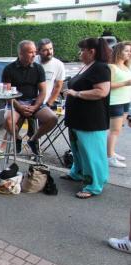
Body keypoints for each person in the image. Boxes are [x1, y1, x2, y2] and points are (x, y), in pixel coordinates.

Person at [62, 37, 111, 199]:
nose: (80, 53)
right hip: (77, 118)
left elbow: (102, 91)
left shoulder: (101, 68)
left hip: (91, 120)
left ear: (92, 51)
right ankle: (77, 173)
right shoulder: (88, 67)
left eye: (82, 50)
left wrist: (76, 93)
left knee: (92, 153)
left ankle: (94, 185)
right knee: (78, 150)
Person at [0, 40, 56, 156]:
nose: (35, 55)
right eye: (31, 52)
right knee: (8, 121)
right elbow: (6, 93)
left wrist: (35, 106)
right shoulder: (9, 69)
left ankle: (33, 139)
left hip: (33, 101)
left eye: (35, 52)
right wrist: (19, 107)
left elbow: (43, 91)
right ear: (21, 53)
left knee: (52, 118)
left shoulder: (38, 68)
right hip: (15, 102)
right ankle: (18, 138)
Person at [107, 41, 131, 168]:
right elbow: (107, 85)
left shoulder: (127, 66)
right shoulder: (112, 67)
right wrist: (125, 83)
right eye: (126, 51)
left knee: (118, 129)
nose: (129, 53)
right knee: (114, 130)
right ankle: (109, 156)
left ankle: (111, 152)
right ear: (118, 52)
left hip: (125, 101)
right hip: (115, 102)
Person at [35, 38, 66, 108]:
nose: (49, 52)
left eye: (51, 49)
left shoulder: (59, 64)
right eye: (45, 50)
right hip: (28, 101)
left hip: (44, 104)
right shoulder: (33, 61)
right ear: (38, 51)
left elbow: (58, 86)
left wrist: (49, 103)